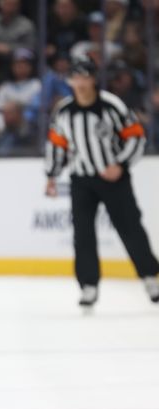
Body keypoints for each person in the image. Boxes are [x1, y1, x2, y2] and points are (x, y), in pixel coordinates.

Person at [45, 58, 159, 306]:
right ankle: (88, 285)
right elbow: (57, 144)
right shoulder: (64, 111)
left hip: (114, 179)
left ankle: (150, 276)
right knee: (83, 233)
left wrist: (121, 164)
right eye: (76, 78)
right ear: (70, 81)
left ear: (94, 79)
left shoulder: (112, 106)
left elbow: (136, 137)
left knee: (130, 227)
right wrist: (51, 176)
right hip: (81, 180)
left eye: (86, 77)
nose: (81, 83)